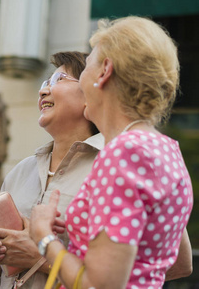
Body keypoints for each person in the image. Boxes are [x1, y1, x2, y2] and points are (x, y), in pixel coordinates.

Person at [30, 16, 193, 289]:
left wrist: (44, 237)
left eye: (88, 63)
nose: (82, 79)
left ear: (105, 71)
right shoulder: (166, 147)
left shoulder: (123, 153)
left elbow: (100, 284)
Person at [0, 51, 104, 289]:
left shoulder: (113, 169)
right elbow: (0, 275)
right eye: (45, 83)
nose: (43, 91)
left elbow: (142, 270)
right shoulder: (20, 172)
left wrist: (42, 259)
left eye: (59, 80)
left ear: (90, 94)